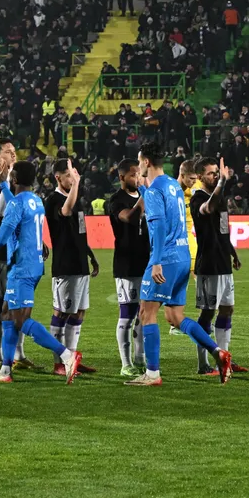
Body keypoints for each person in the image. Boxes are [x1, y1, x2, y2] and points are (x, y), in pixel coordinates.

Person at [0, 161, 79, 384]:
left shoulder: (17, 204)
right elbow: (18, 207)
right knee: (6, 314)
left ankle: (67, 355)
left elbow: (1, 239)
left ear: (14, 179)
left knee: (21, 320)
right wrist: (4, 185)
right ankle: (5, 369)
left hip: (21, 268)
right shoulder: (35, 200)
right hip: (33, 265)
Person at [128, 142, 233, 386]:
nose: (139, 165)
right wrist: (143, 189)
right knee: (175, 316)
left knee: (146, 312)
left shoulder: (155, 190)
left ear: (146, 162)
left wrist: (156, 261)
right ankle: (218, 352)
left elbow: (159, 225)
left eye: (139, 161)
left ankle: (152, 373)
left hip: (164, 259)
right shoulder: (172, 186)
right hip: (183, 257)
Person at [190, 157, 248, 374]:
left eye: (217, 172)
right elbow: (208, 208)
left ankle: (223, 359)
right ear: (200, 176)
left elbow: (223, 229)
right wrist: (222, 183)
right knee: (207, 313)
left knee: (227, 309)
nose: (215, 176)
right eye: (211, 173)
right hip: (209, 264)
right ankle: (203, 364)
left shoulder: (220, 198)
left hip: (223, 262)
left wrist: (233, 253)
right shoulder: (198, 198)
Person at [45, 158, 101, 377]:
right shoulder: (53, 200)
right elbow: (65, 212)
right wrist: (77, 185)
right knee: (61, 312)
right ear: (58, 177)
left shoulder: (76, 199)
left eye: (74, 174)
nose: (73, 178)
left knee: (79, 312)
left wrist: (91, 256)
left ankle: (71, 358)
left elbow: (80, 231)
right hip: (65, 265)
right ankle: (59, 363)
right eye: (69, 175)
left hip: (80, 264)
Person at [0, 137, 36, 372]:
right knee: (1, 303)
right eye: (7, 151)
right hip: (2, 252)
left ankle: (19, 355)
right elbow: (1, 210)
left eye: (14, 150)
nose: (13, 154)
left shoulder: (17, 180)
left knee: (21, 303)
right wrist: (4, 181)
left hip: (22, 251)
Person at [106, 159, 149, 376]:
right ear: (122, 177)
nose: (138, 178)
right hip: (127, 264)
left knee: (144, 313)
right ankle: (126, 364)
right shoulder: (117, 200)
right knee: (128, 314)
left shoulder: (144, 195)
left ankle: (140, 358)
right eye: (133, 174)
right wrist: (146, 194)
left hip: (146, 262)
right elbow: (131, 218)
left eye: (139, 174)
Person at [170, 159, 198, 340]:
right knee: (183, 277)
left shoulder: (195, 189)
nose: (194, 182)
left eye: (196, 179)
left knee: (195, 274)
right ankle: (175, 322)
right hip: (176, 238)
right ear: (182, 175)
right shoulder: (171, 190)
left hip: (189, 236)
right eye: (191, 179)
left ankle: (180, 321)